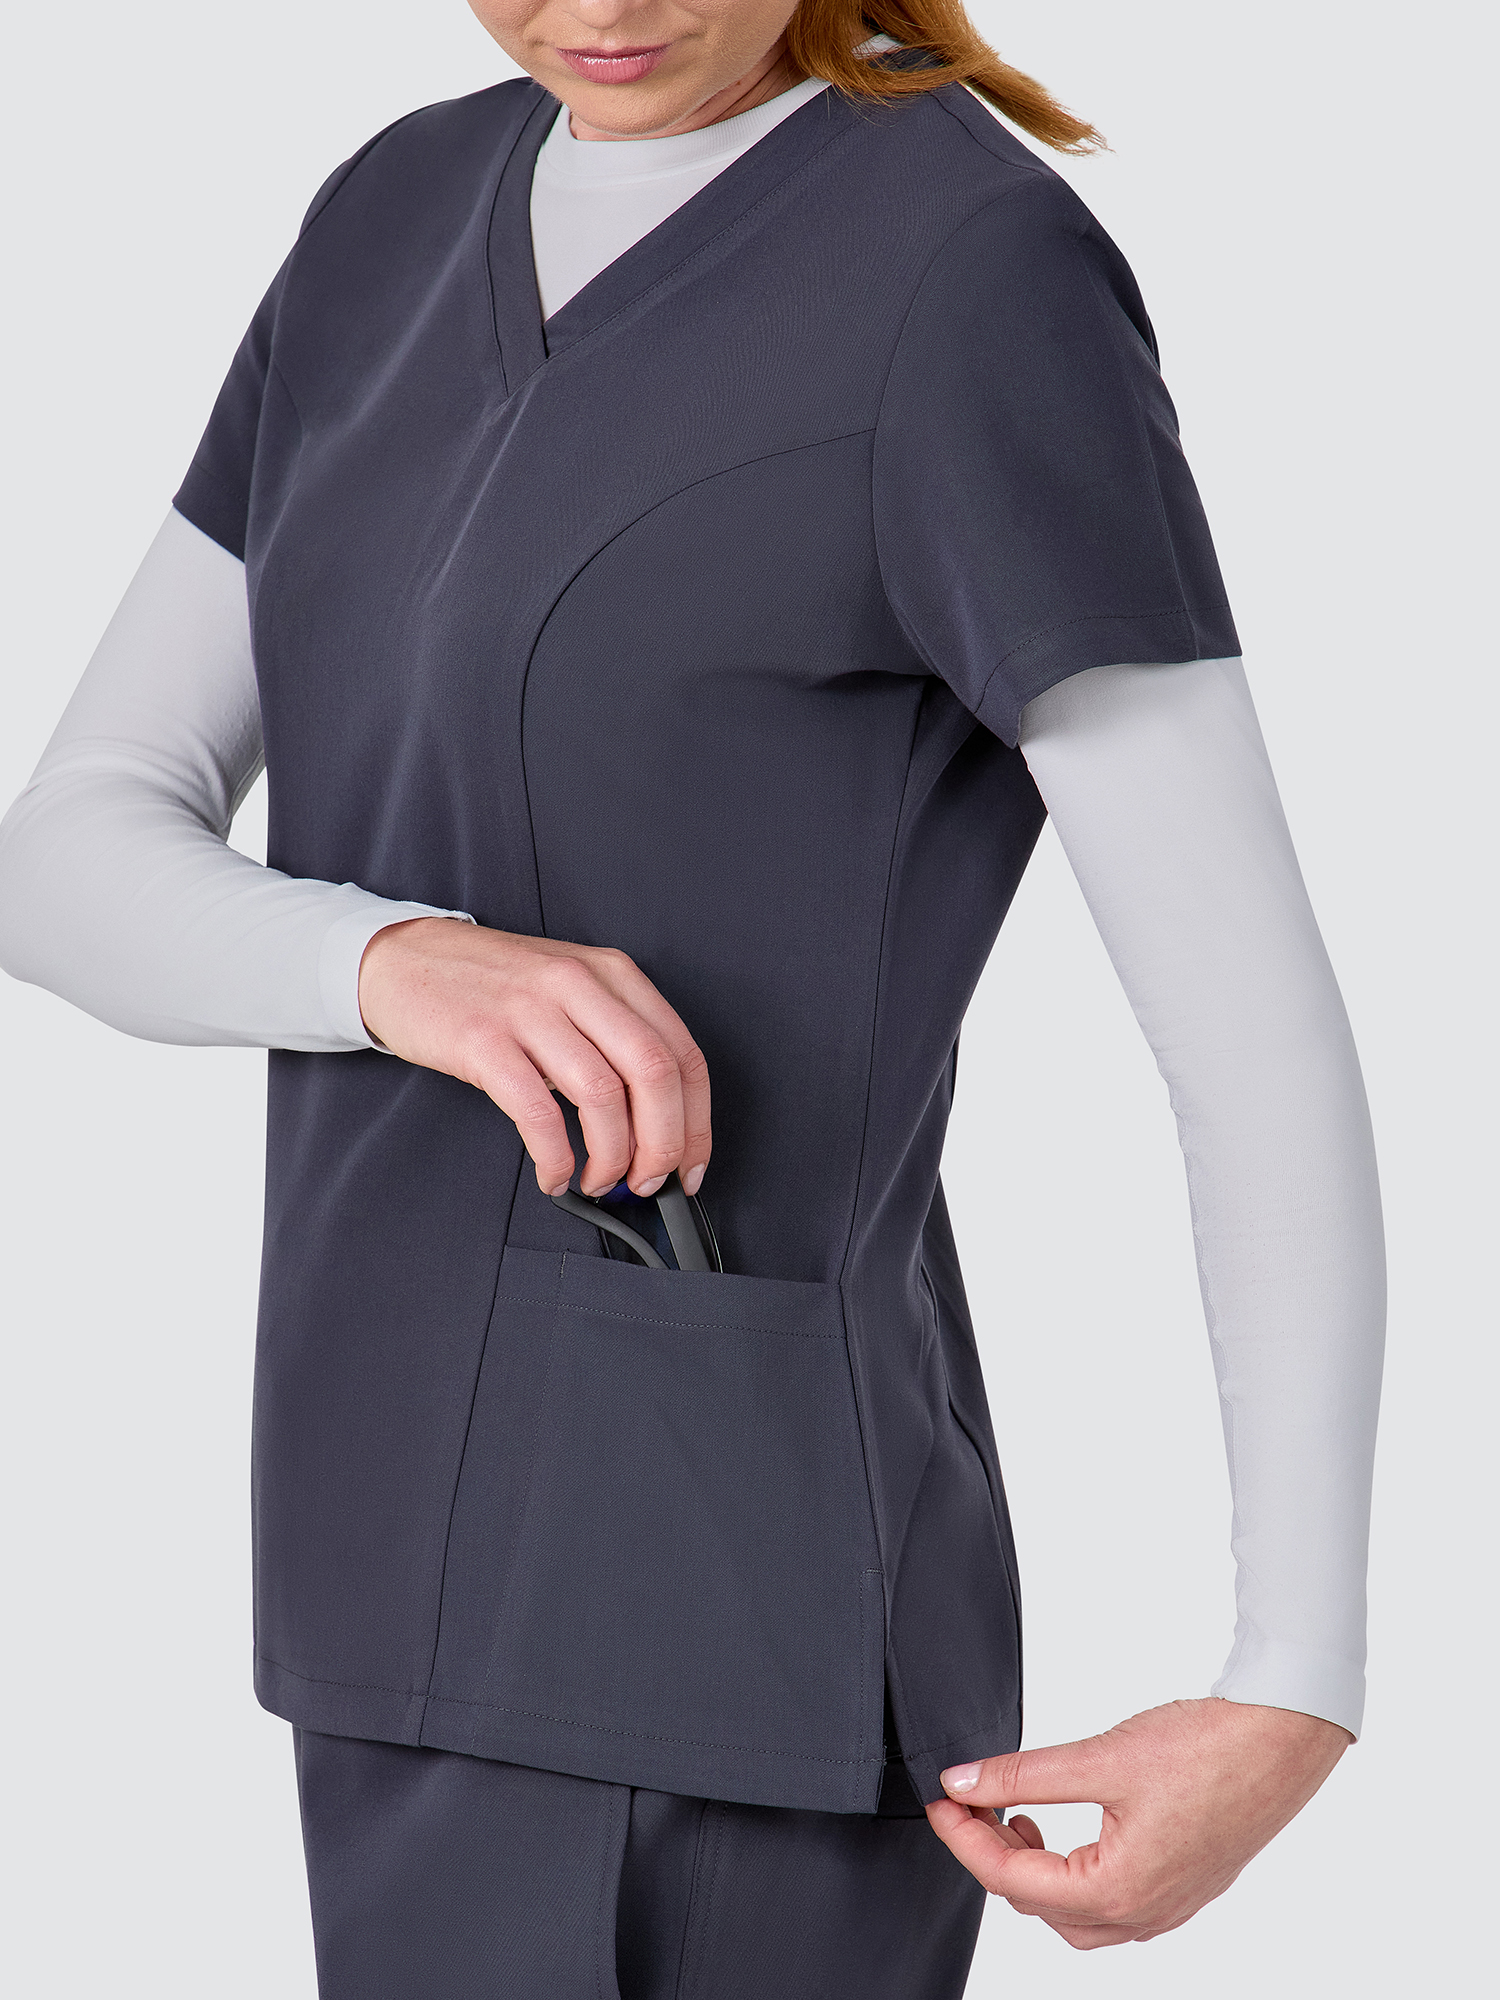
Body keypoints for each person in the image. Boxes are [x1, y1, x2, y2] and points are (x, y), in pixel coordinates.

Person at [0, 0, 1385, 1992]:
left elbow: (1247, 1029)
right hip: (378, 1562)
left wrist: (1293, 1673)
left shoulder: (972, 274)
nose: (604, 5)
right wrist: (385, 965)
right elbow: (64, 849)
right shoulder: (387, 220)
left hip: (723, 1611)